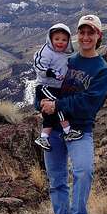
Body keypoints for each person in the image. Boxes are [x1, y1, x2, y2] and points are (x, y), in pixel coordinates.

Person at [40, 14, 107, 214]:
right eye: (82, 32)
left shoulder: (102, 70)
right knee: (57, 179)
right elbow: (46, 83)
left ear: (98, 36)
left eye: (91, 33)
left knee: (83, 172)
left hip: (80, 130)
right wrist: (40, 102)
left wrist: (57, 104)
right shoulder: (66, 60)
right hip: (54, 130)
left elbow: (88, 104)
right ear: (77, 35)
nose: (86, 37)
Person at [33, 23, 84, 151]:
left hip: (55, 88)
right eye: (56, 39)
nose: (60, 42)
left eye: (64, 40)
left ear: (68, 41)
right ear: (50, 39)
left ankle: (44, 137)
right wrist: (51, 73)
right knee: (58, 105)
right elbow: (39, 65)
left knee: (51, 113)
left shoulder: (64, 55)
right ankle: (68, 131)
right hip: (45, 86)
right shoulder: (47, 51)